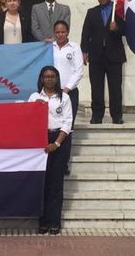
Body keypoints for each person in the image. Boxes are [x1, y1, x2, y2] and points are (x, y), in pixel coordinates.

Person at [28, 66, 73, 235]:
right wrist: (33, 107)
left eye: (52, 76)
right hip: (39, 142)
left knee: (55, 184)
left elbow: (67, 122)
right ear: (41, 79)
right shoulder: (34, 97)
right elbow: (25, 119)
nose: (49, 79)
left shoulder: (65, 98)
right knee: (42, 183)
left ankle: (54, 222)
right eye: (46, 77)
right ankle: (43, 222)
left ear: (57, 78)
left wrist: (57, 143)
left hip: (59, 140)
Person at [80, 0, 126, 124]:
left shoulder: (118, 11)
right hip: (96, 56)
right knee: (96, 87)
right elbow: (85, 33)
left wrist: (116, 28)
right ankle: (97, 115)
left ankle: (116, 116)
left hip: (114, 55)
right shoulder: (92, 12)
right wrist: (84, 51)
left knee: (115, 88)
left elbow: (126, 30)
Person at [52, 20, 83, 176]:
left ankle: (64, 163)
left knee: (67, 128)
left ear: (68, 32)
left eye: (63, 32)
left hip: (69, 93)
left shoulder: (75, 47)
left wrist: (67, 88)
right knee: (53, 127)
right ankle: (53, 161)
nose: (60, 35)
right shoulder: (49, 48)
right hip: (52, 93)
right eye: (57, 32)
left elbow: (79, 71)